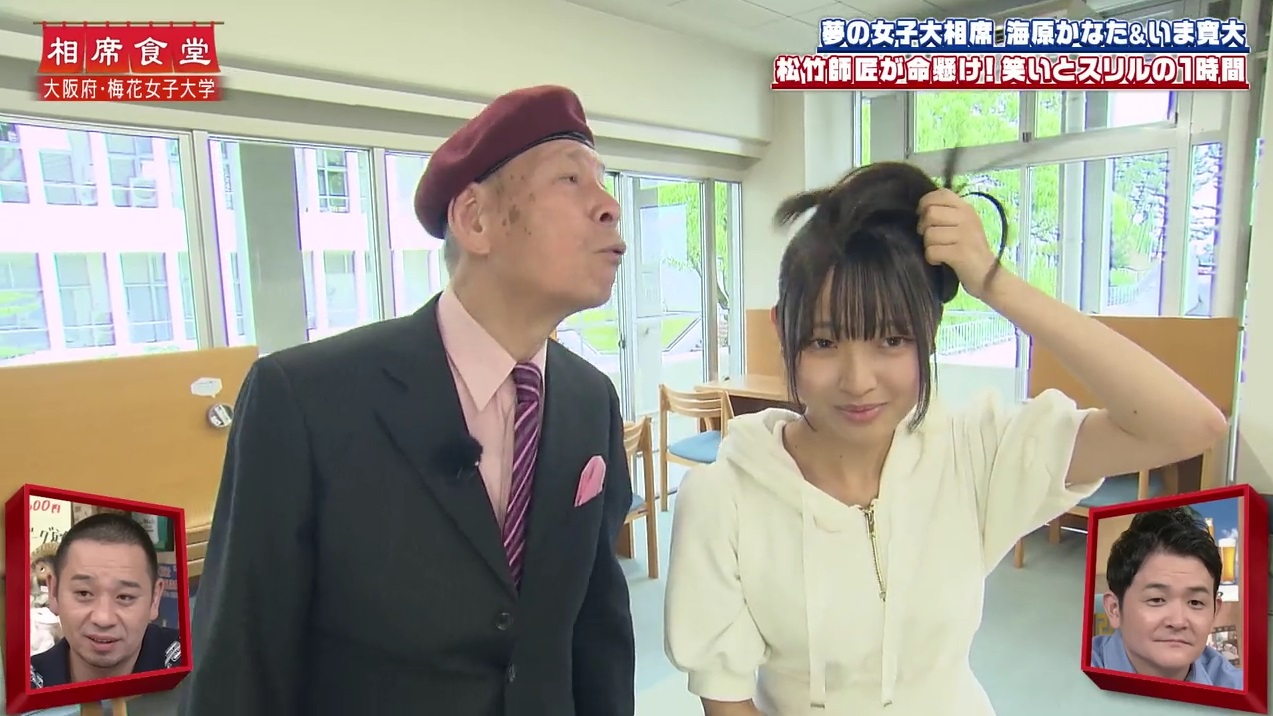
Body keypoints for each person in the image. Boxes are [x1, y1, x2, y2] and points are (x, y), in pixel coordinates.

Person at [663, 161, 1228, 715]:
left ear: (928, 334)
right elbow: (727, 698)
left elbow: (1187, 425)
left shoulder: (974, 452)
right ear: (781, 330)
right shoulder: (724, 498)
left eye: (891, 339)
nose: (858, 380)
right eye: (823, 342)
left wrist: (993, 281)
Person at [179, 85, 636, 716]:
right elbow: (240, 659)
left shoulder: (590, 401)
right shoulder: (305, 399)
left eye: (604, 183)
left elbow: (597, 629)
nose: (610, 206)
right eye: (571, 179)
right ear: (476, 220)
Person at [1092, 507, 1243, 688]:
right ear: (1114, 609)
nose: (1178, 622)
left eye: (1195, 602)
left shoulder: (1235, 687)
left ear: (1214, 613)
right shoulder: (1072, 676)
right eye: (1157, 600)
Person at [30, 513, 182, 688]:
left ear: (154, 599)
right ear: (53, 592)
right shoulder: (27, 684)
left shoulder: (190, 665)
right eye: (84, 593)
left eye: (125, 597)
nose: (103, 619)